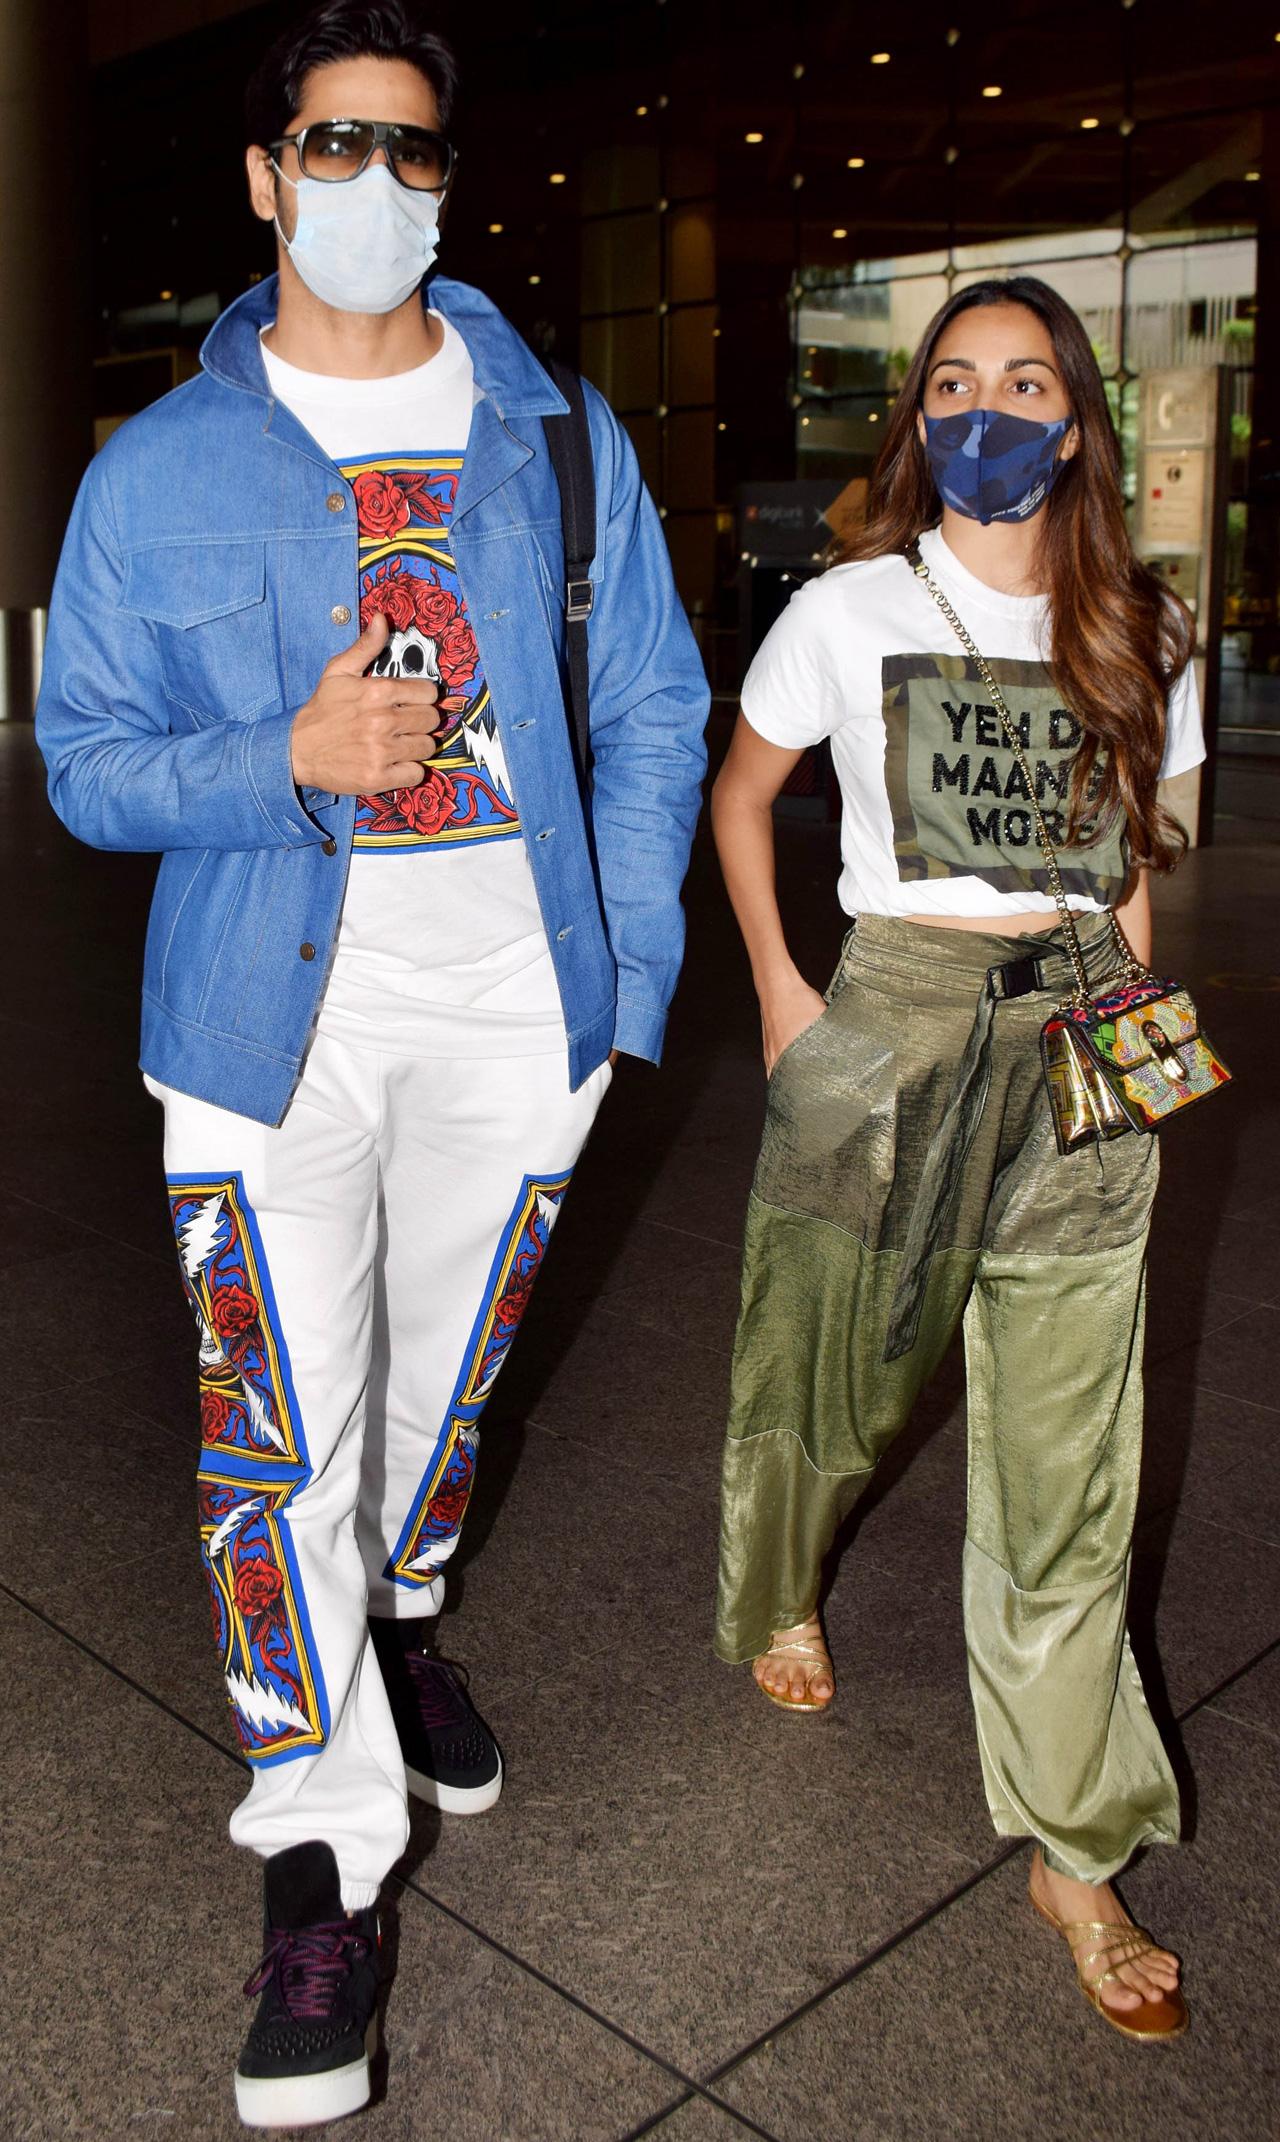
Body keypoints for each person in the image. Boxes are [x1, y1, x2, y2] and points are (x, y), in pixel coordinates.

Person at [37, 1, 707, 2124]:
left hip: (521, 1006)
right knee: (276, 1442)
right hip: (257, 1024)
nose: (377, 190)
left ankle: (401, 1609)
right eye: (335, 148)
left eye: (413, 155)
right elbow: (82, 767)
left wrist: (626, 991)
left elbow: (660, 711)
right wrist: (291, 760)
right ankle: (315, 1854)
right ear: (264, 179)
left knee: (433, 1404)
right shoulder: (152, 473)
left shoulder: (557, 429)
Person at [711, 275, 1199, 2043]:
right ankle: (779, 1577)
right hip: (891, 1025)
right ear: (918, 417)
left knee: (1071, 1455)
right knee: (837, 1368)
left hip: (1076, 1020)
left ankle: (1076, 1845)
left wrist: (1137, 1035)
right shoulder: (849, 606)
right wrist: (780, 986)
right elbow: (744, 791)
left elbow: (1135, 853)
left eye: (1025, 380)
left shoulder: (1139, 619)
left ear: (1074, 416)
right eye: (951, 381)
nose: (986, 406)